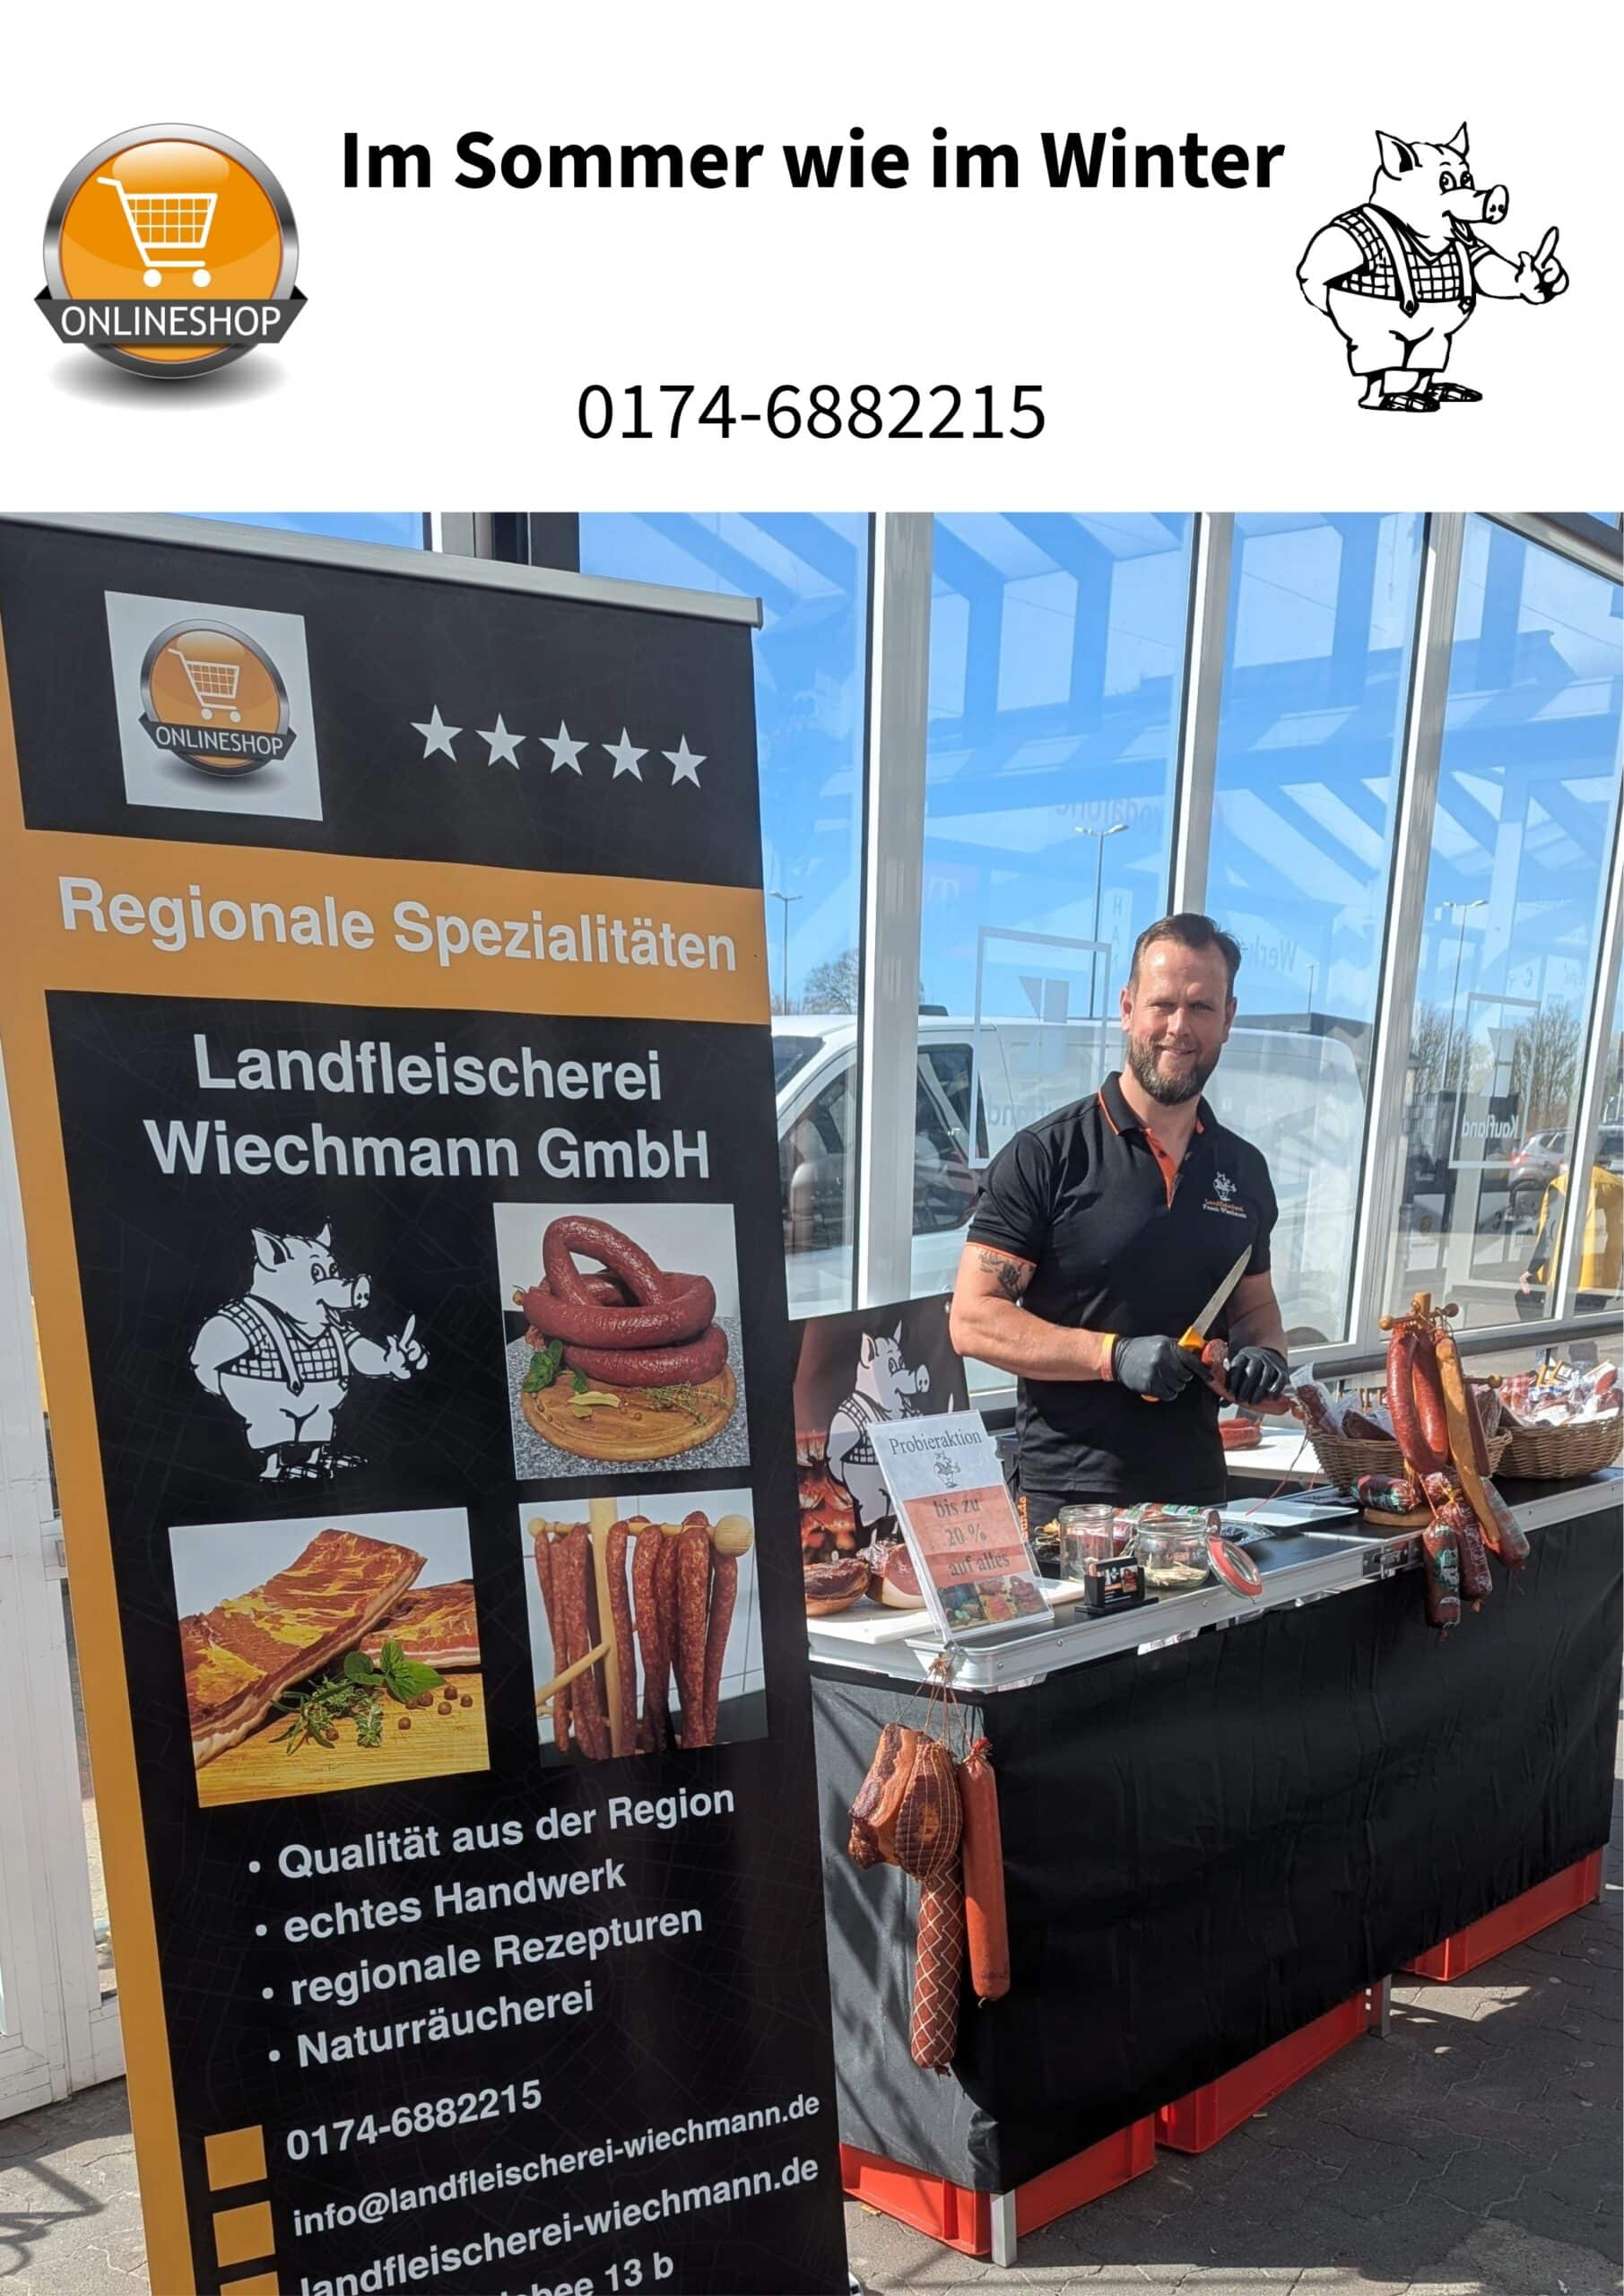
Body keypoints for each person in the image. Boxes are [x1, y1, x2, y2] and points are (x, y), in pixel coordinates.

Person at [948, 912, 1290, 1531]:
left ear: (1228, 1019)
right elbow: (972, 1320)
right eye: (1162, 1004)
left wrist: (1264, 1355)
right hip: (1069, 1506)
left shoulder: (1243, 1170)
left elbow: (1255, 1308)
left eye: (1201, 1007)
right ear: (1128, 1009)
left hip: (1197, 1501)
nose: (1179, 1027)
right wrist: (1112, 1355)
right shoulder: (1047, 1155)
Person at [1516, 1152, 1622, 1318]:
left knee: (1555, 1322)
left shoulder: (1563, 1184)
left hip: (1565, 1277)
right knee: (1586, 1326)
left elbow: (1551, 1231)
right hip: (1601, 1279)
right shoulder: (1617, 1186)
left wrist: (1532, 1270)